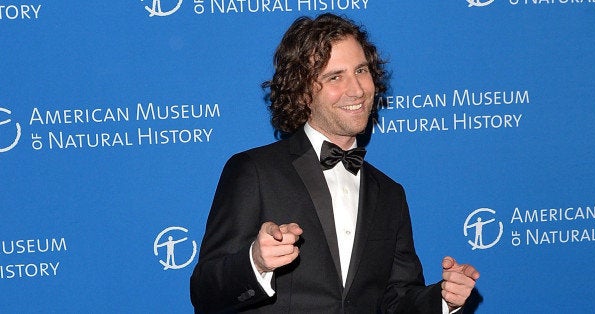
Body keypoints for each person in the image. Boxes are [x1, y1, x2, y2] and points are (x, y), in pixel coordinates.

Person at [190, 13, 479, 313]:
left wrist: (443, 300)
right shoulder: (254, 171)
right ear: (302, 92)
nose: (356, 90)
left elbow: (397, 299)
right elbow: (204, 292)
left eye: (361, 70)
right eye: (335, 77)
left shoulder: (390, 193)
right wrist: (256, 262)